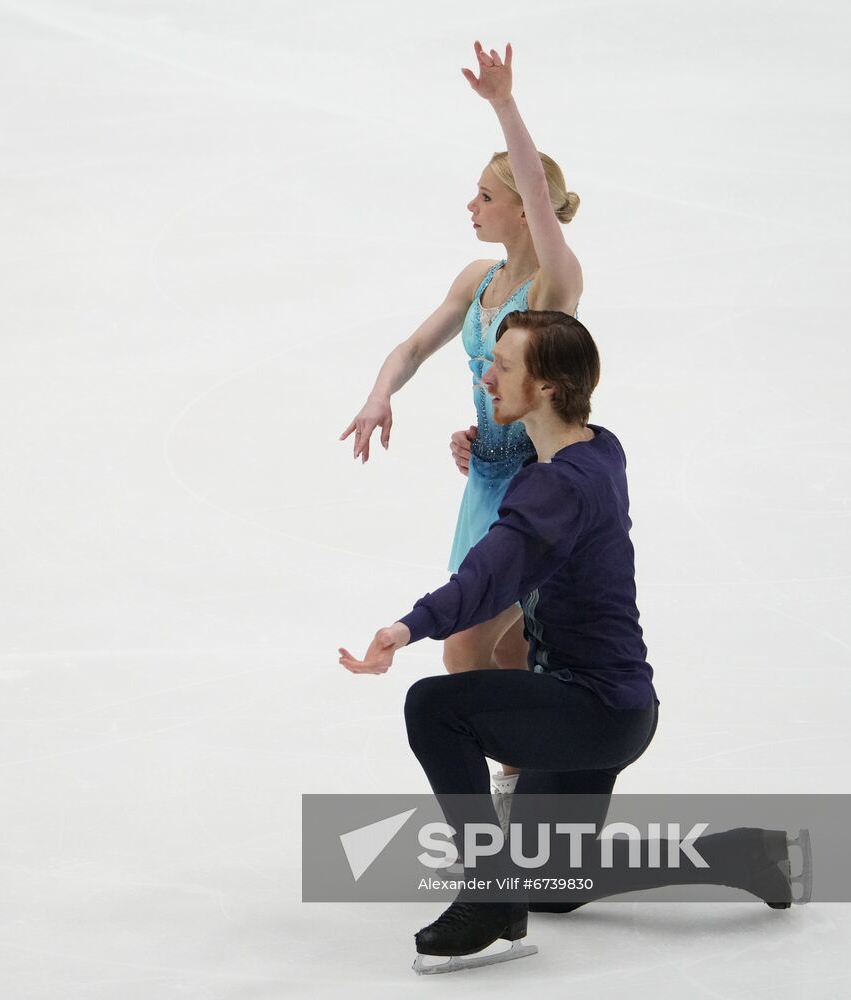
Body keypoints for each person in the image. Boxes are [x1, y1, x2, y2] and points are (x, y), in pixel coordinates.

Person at [339, 311, 805, 974]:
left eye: (503, 365)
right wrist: (496, 449)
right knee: (552, 886)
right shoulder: (594, 448)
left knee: (433, 708)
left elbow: (489, 575)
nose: (484, 373)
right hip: (615, 707)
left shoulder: (559, 487)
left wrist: (404, 628)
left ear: (550, 386)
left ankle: (487, 897)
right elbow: (536, 489)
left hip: (590, 712)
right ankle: (746, 855)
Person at [340, 42, 582, 684]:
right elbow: (415, 347)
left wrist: (504, 105)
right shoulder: (479, 278)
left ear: (524, 211)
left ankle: (487, 776)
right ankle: (521, 776)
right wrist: (379, 395)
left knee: (464, 649)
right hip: (484, 481)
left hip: (537, 480)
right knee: (508, 649)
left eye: (484, 196)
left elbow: (533, 182)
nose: (471, 206)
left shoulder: (556, 285)